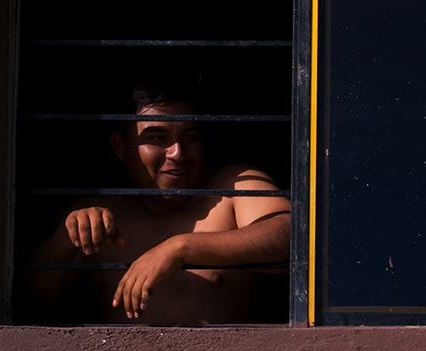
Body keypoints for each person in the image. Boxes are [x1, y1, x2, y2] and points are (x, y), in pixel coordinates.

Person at [25, 83, 289, 324]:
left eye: (190, 137)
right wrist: (66, 234)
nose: (178, 153)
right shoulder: (95, 215)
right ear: (120, 145)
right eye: (157, 138)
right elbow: (30, 300)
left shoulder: (233, 187)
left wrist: (180, 248)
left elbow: (292, 236)